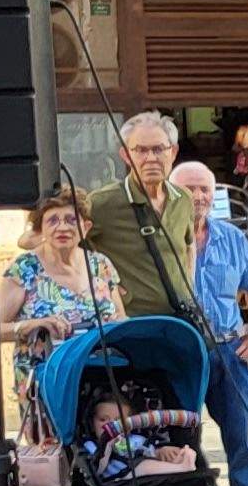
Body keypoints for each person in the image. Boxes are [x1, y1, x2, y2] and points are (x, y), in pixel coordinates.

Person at [2, 186, 124, 486]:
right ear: (39, 230)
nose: (62, 227)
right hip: (44, 383)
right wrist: (34, 324)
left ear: (85, 227)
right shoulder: (24, 269)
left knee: (101, 452)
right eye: (52, 220)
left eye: (70, 219)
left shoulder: (101, 266)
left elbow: (120, 316)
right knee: (50, 460)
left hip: (97, 376)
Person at [168, 161, 248, 486]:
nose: (197, 197)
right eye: (188, 189)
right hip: (181, 355)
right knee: (180, 442)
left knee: (240, 438)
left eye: (204, 190)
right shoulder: (161, 239)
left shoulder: (231, 237)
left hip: (229, 350)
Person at [84, 113, 204, 329]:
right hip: (134, 326)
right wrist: (104, 286)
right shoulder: (102, 203)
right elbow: (68, 250)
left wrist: (189, 288)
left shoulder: (183, 198)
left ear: (173, 152)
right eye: (140, 150)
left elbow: (188, 247)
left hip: (181, 322)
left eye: (158, 149)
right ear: (126, 156)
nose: (150, 158)